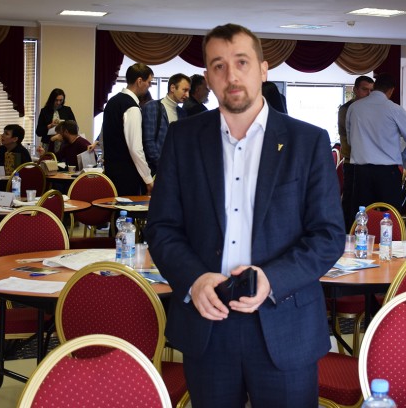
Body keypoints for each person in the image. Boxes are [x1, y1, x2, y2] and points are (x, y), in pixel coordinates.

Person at [145, 24, 343, 408]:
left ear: (263, 69)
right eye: (218, 66)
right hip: (208, 323)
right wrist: (193, 279)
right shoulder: (183, 139)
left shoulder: (307, 141)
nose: (231, 76)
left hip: (285, 322)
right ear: (207, 77)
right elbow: (163, 228)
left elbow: (328, 235)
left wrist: (273, 280)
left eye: (242, 62)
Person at [345, 73, 406, 226]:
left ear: (375, 87)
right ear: (391, 90)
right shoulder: (394, 109)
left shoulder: (354, 108)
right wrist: (401, 156)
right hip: (388, 173)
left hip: (361, 172)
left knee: (362, 220)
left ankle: (361, 241)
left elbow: (349, 140)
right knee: (389, 219)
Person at [103, 63, 154, 195]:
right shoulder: (131, 107)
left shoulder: (112, 102)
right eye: (149, 82)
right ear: (139, 81)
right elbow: (135, 148)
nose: (149, 86)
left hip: (110, 171)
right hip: (127, 175)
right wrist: (148, 179)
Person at [337, 75, 374, 228]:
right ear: (355, 90)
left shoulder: (371, 109)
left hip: (367, 162)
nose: (368, 94)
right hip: (351, 160)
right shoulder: (347, 109)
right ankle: (346, 232)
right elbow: (351, 135)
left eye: (371, 91)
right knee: (351, 201)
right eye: (365, 89)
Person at [142, 74, 190, 175]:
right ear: (172, 88)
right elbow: (149, 142)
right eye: (184, 90)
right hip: (155, 171)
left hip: (175, 170)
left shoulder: (182, 113)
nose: (187, 95)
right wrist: (164, 166)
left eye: (188, 91)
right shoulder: (152, 107)